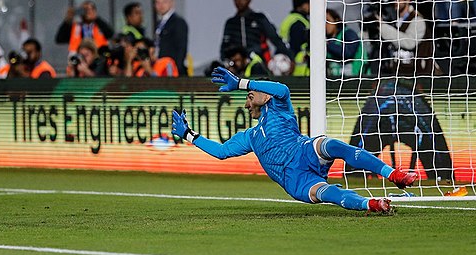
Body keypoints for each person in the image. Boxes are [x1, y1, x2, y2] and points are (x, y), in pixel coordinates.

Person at [171, 67, 418, 214]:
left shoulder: (280, 108)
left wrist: (241, 82)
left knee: (329, 144)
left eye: (249, 96)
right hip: (296, 181)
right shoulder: (251, 137)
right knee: (329, 193)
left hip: (304, 152)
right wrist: (189, 135)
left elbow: (281, 89)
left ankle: (393, 174)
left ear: (264, 97)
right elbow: (221, 152)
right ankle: (372, 204)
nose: (246, 104)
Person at [221, 0, 291, 65]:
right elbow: (224, 47)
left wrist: (290, 56)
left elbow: (275, 38)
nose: (239, 1)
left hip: (258, 64)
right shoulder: (231, 23)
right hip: (238, 66)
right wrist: (227, 61)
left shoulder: (259, 18)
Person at [374, 0, 433, 76]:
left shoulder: (417, 20)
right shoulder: (392, 20)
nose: (395, 1)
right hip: (394, 72)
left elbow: (409, 42)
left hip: (416, 74)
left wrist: (383, 27)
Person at [154, 0, 188, 75]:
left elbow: (181, 48)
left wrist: (176, 69)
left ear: (172, 3)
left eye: (164, 2)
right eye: (158, 2)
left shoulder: (178, 22)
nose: (161, 5)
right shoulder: (159, 23)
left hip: (171, 70)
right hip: (160, 68)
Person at [325, 8, 365, 78]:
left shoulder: (349, 33)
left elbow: (347, 53)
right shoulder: (329, 39)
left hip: (355, 77)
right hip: (334, 78)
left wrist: (327, 44)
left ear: (336, 20)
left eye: (328, 21)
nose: (325, 25)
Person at [279, 0, 310, 76]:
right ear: (301, 5)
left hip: (287, 61)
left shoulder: (290, 19)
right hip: (299, 67)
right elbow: (296, 44)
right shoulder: (299, 22)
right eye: (308, 3)